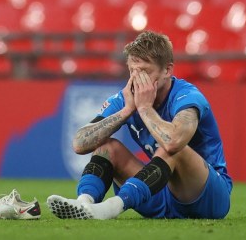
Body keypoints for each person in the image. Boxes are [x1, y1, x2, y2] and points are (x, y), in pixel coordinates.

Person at [46, 30, 232, 220]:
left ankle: (110, 208)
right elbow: (79, 143)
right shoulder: (126, 99)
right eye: (132, 71)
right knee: (107, 147)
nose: (136, 79)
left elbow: (174, 141)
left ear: (167, 70)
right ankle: (85, 203)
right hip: (161, 192)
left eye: (144, 71)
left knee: (173, 149)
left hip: (207, 198)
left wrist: (144, 109)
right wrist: (126, 111)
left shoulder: (187, 97)